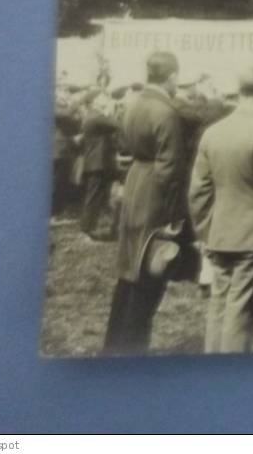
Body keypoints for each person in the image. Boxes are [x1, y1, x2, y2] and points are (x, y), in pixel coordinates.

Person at [188, 67, 253, 354]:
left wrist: (203, 230)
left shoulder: (212, 132)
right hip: (252, 235)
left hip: (219, 232)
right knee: (240, 310)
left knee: (218, 303)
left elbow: (198, 190)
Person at [103, 51, 186, 355]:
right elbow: (170, 170)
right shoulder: (165, 111)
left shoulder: (134, 103)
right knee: (149, 272)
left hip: (135, 182)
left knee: (128, 272)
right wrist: (173, 215)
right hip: (153, 191)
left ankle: (114, 344)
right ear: (172, 75)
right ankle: (131, 349)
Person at [80, 92, 119, 240]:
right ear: (95, 101)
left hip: (96, 162)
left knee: (95, 196)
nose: (107, 99)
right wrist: (111, 109)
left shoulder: (91, 115)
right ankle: (87, 230)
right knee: (93, 197)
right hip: (98, 163)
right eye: (103, 97)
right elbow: (117, 124)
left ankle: (90, 228)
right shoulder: (97, 116)